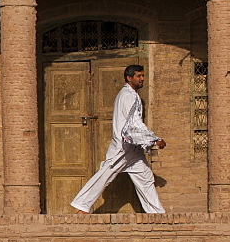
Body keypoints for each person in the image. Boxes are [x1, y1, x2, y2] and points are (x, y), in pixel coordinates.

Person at [70, 64, 166, 214]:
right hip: (123, 145)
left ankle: (156, 213)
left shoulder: (132, 95)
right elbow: (132, 124)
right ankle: (82, 205)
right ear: (129, 78)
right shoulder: (127, 96)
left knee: (145, 177)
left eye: (142, 76)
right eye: (138, 76)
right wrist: (154, 139)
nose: (142, 79)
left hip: (132, 148)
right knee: (106, 173)